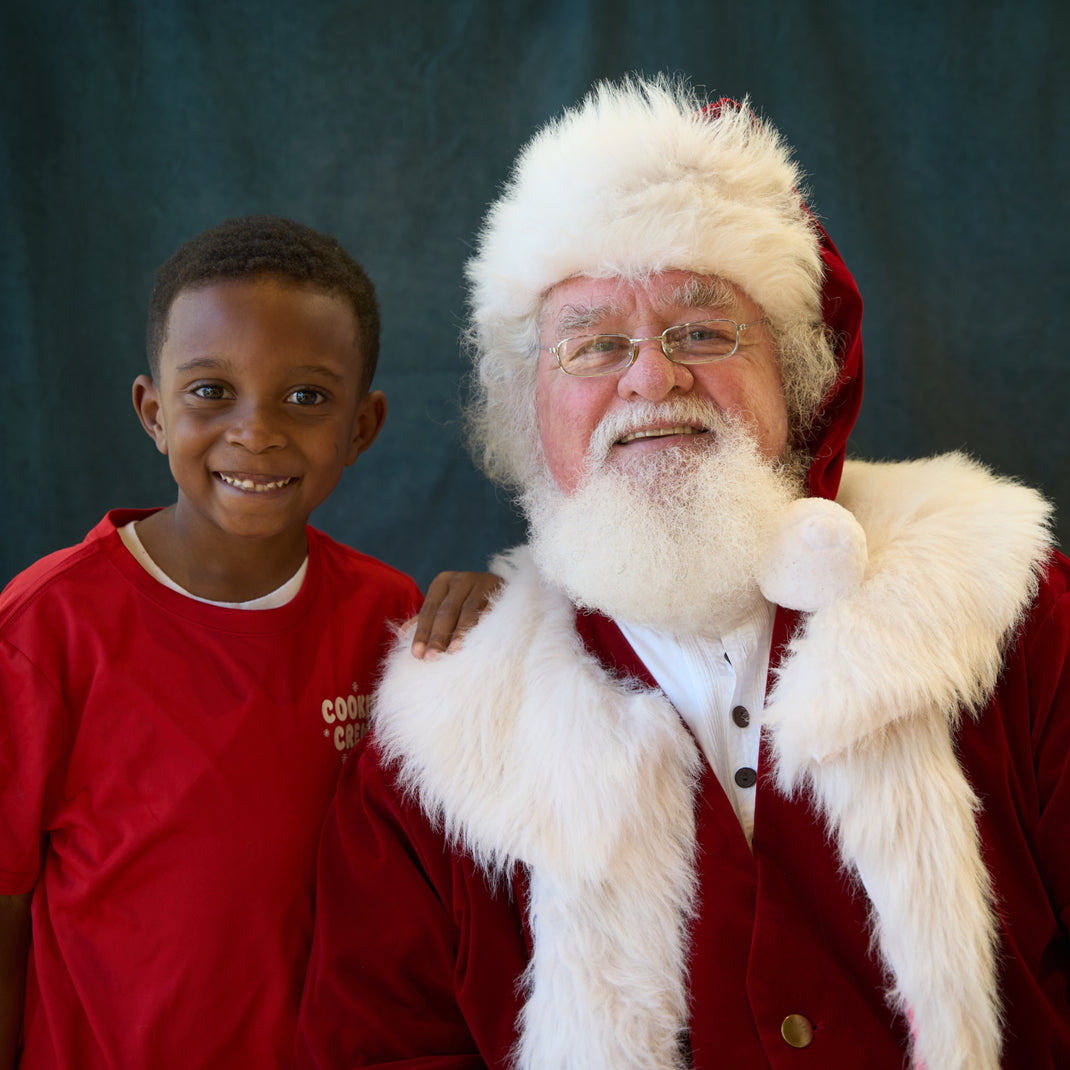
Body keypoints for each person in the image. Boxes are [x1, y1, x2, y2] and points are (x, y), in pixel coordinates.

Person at [294, 77, 1070, 1070]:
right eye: (593, 343)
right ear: (529, 410)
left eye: (700, 331)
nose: (649, 377)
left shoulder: (1007, 610)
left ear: (795, 377)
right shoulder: (443, 738)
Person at [0, 215, 499, 1069]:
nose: (256, 431)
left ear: (363, 426)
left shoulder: (387, 614)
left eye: (307, 397)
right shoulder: (45, 631)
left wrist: (504, 626)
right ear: (152, 412)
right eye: (210, 392)